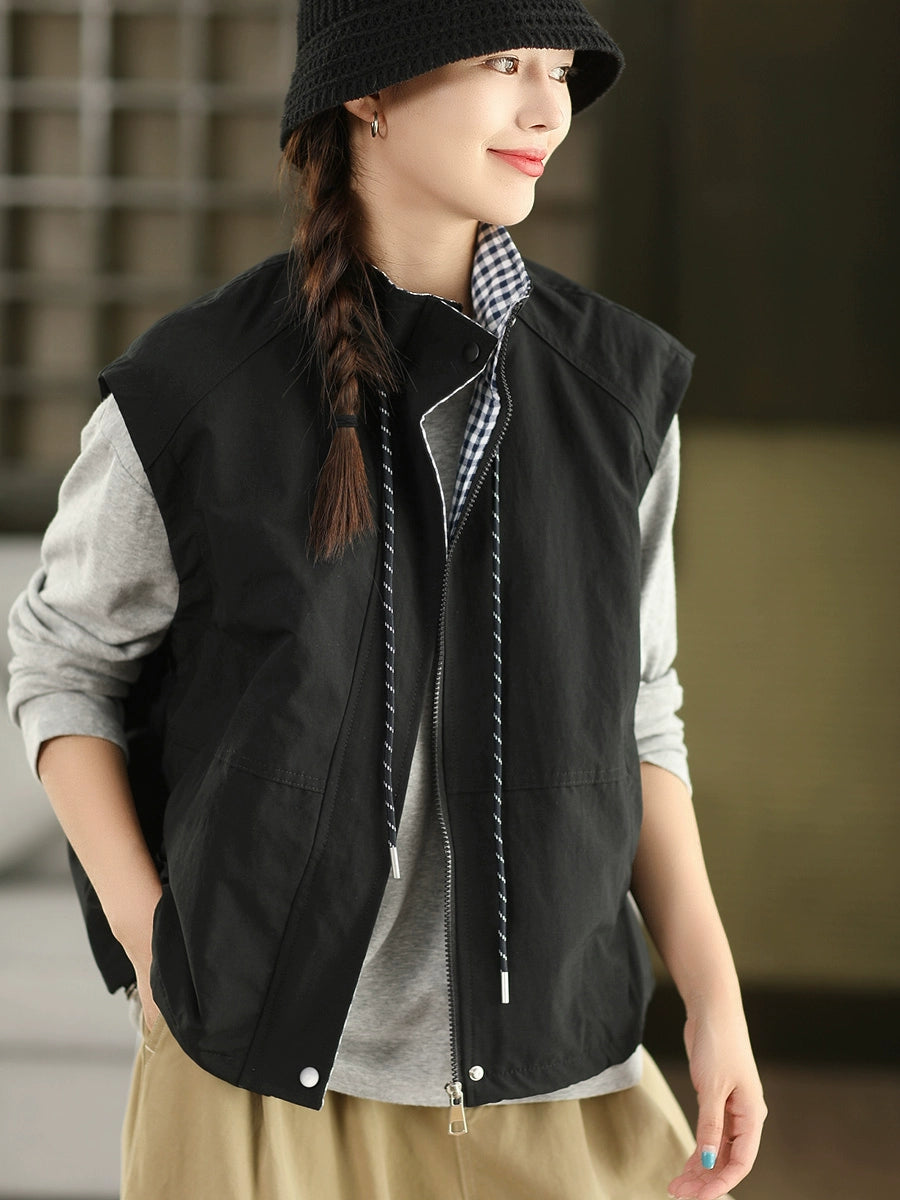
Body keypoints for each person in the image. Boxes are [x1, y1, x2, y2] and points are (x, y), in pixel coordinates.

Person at [6, 2, 767, 1197]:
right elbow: (64, 668)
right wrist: (154, 940)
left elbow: (639, 712)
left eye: (559, 70)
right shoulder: (197, 390)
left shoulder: (616, 392)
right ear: (367, 89)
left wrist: (714, 1000)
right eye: (504, 63)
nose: (548, 110)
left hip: (556, 1075)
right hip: (255, 1086)